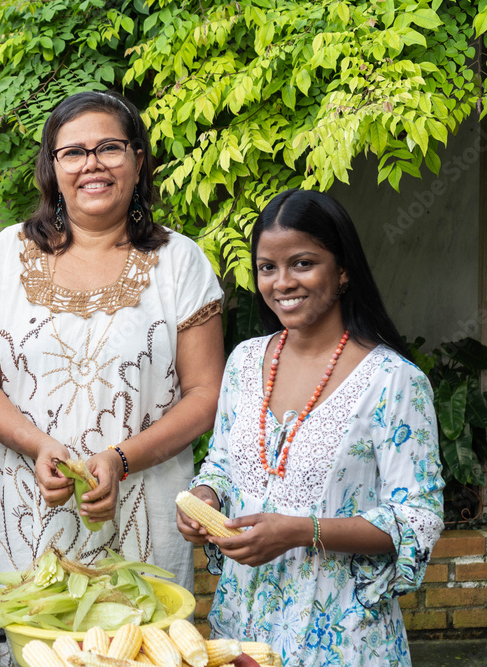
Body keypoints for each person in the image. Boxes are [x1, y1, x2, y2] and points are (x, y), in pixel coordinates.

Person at [0, 90, 225, 589]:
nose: (92, 165)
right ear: (52, 167)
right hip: (29, 513)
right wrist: (38, 445)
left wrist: (120, 460)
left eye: (110, 148)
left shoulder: (181, 262)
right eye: (74, 152)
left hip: (143, 515)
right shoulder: (7, 254)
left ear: (138, 159)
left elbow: (206, 395)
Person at [177, 189, 444, 666]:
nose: (282, 282)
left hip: (343, 639)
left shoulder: (394, 381)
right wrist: (206, 498)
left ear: (342, 271)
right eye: (267, 267)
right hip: (241, 633)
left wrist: (302, 531)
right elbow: (220, 464)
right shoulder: (243, 362)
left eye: (302, 263)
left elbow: (417, 519)